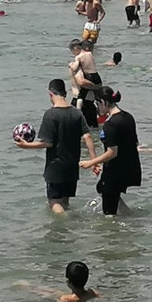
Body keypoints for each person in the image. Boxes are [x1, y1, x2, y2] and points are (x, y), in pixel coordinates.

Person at [16, 79, 95, 214]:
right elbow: (87, 136)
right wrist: (94, 161)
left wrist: (26, 146)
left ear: (50, 94)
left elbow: (47, 142)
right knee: (65, 201)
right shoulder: (77, 113)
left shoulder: (50, 114)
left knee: (54, 201)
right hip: (72, 166)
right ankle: (69, 230)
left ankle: (66, 222)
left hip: (56, 166)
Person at [79, 86, 141, 216]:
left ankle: (116, 230)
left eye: (97, 103)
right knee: (101, 188)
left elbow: (112, 152)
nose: (97, 108)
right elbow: (135, 143)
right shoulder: (128, 117)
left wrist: (91, 163)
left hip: (115, 170)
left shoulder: (110, 124)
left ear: (103, 102)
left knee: (109, 214)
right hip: (130, 167)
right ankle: (130, 217)